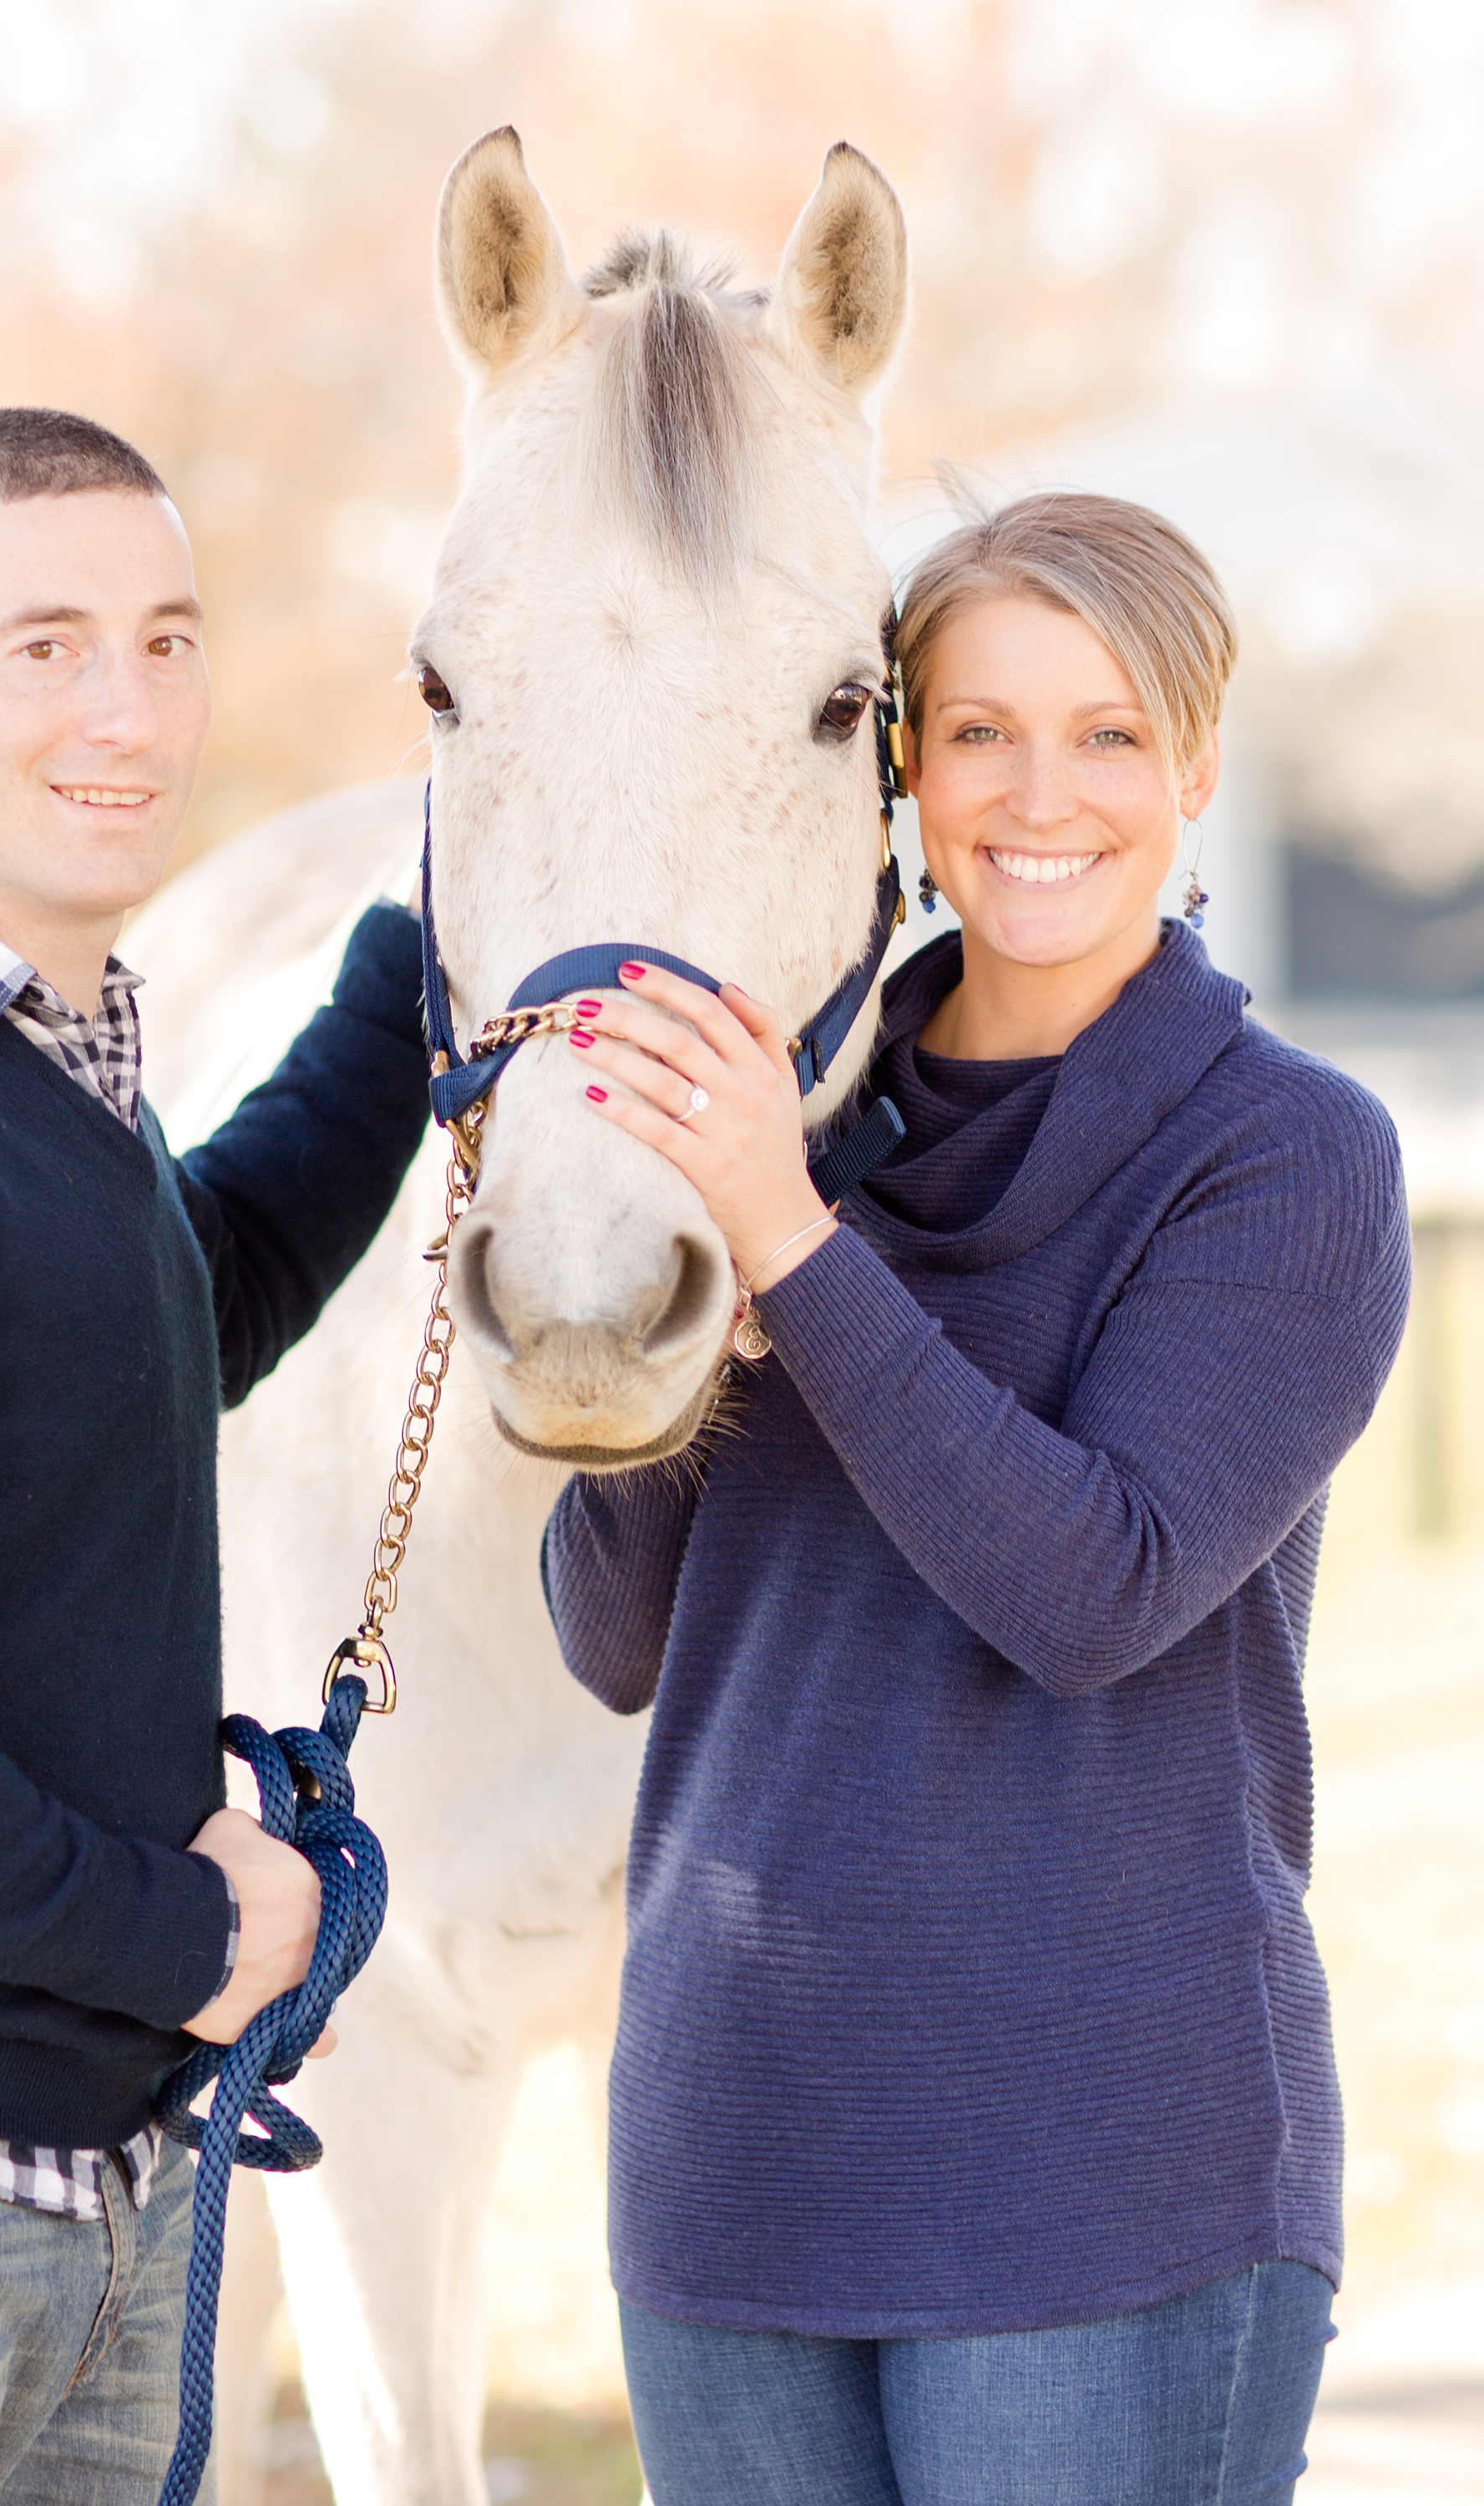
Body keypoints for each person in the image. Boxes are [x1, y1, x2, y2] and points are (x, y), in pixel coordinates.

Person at [543, 493, 1411, 2506]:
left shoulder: (1283, 1161)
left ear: (1197, 769)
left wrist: (786, 1247)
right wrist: (659, 1271)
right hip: (729, 2160)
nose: (1042, 795)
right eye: (979, 731)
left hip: (1101, 2182)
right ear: (901, 768)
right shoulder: (790, 1116)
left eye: (1111, 735)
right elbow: (611, 1640)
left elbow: (1091, 1589)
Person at [0, 408, 431, 2502]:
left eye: (167, 642)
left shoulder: (37, 1061)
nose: (127, 709)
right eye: (48, 645)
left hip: (86, 2195)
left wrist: (427, 946)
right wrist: (188, 1943)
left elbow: (183, 1306)